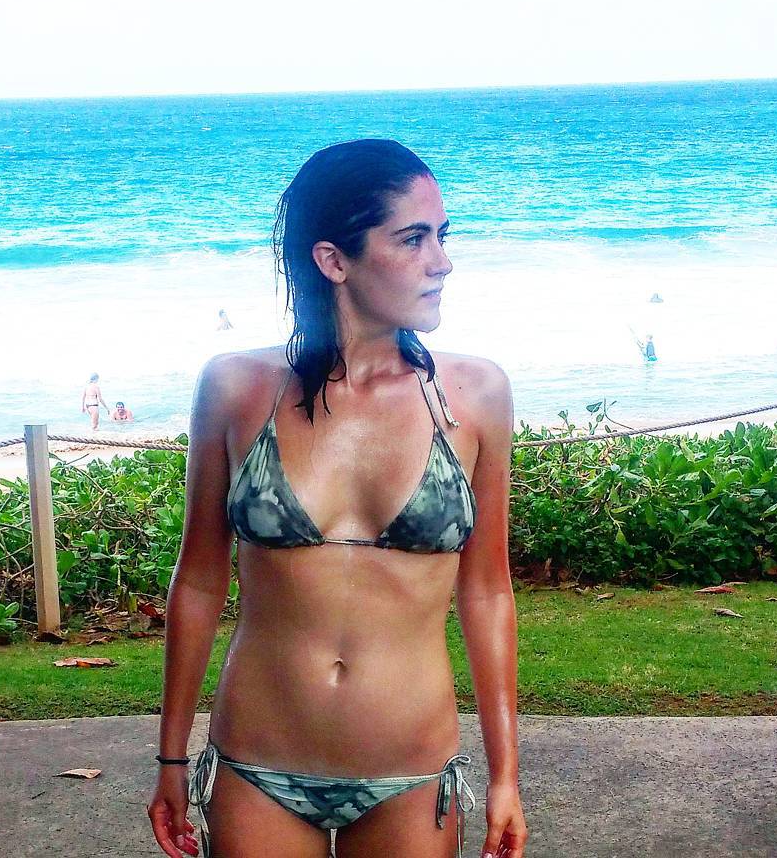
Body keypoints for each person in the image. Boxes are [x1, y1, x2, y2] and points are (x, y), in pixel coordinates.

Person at [149, 140, 526, 858]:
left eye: (443, 236)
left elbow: (487, 592)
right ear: (333, 260)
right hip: (257, 762)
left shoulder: (475, 395)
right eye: (413, 239)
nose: (442, 262)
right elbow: (198, 580)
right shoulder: (236, 388)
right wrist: (171, 758)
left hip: (411, 770)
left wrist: (506, 775)